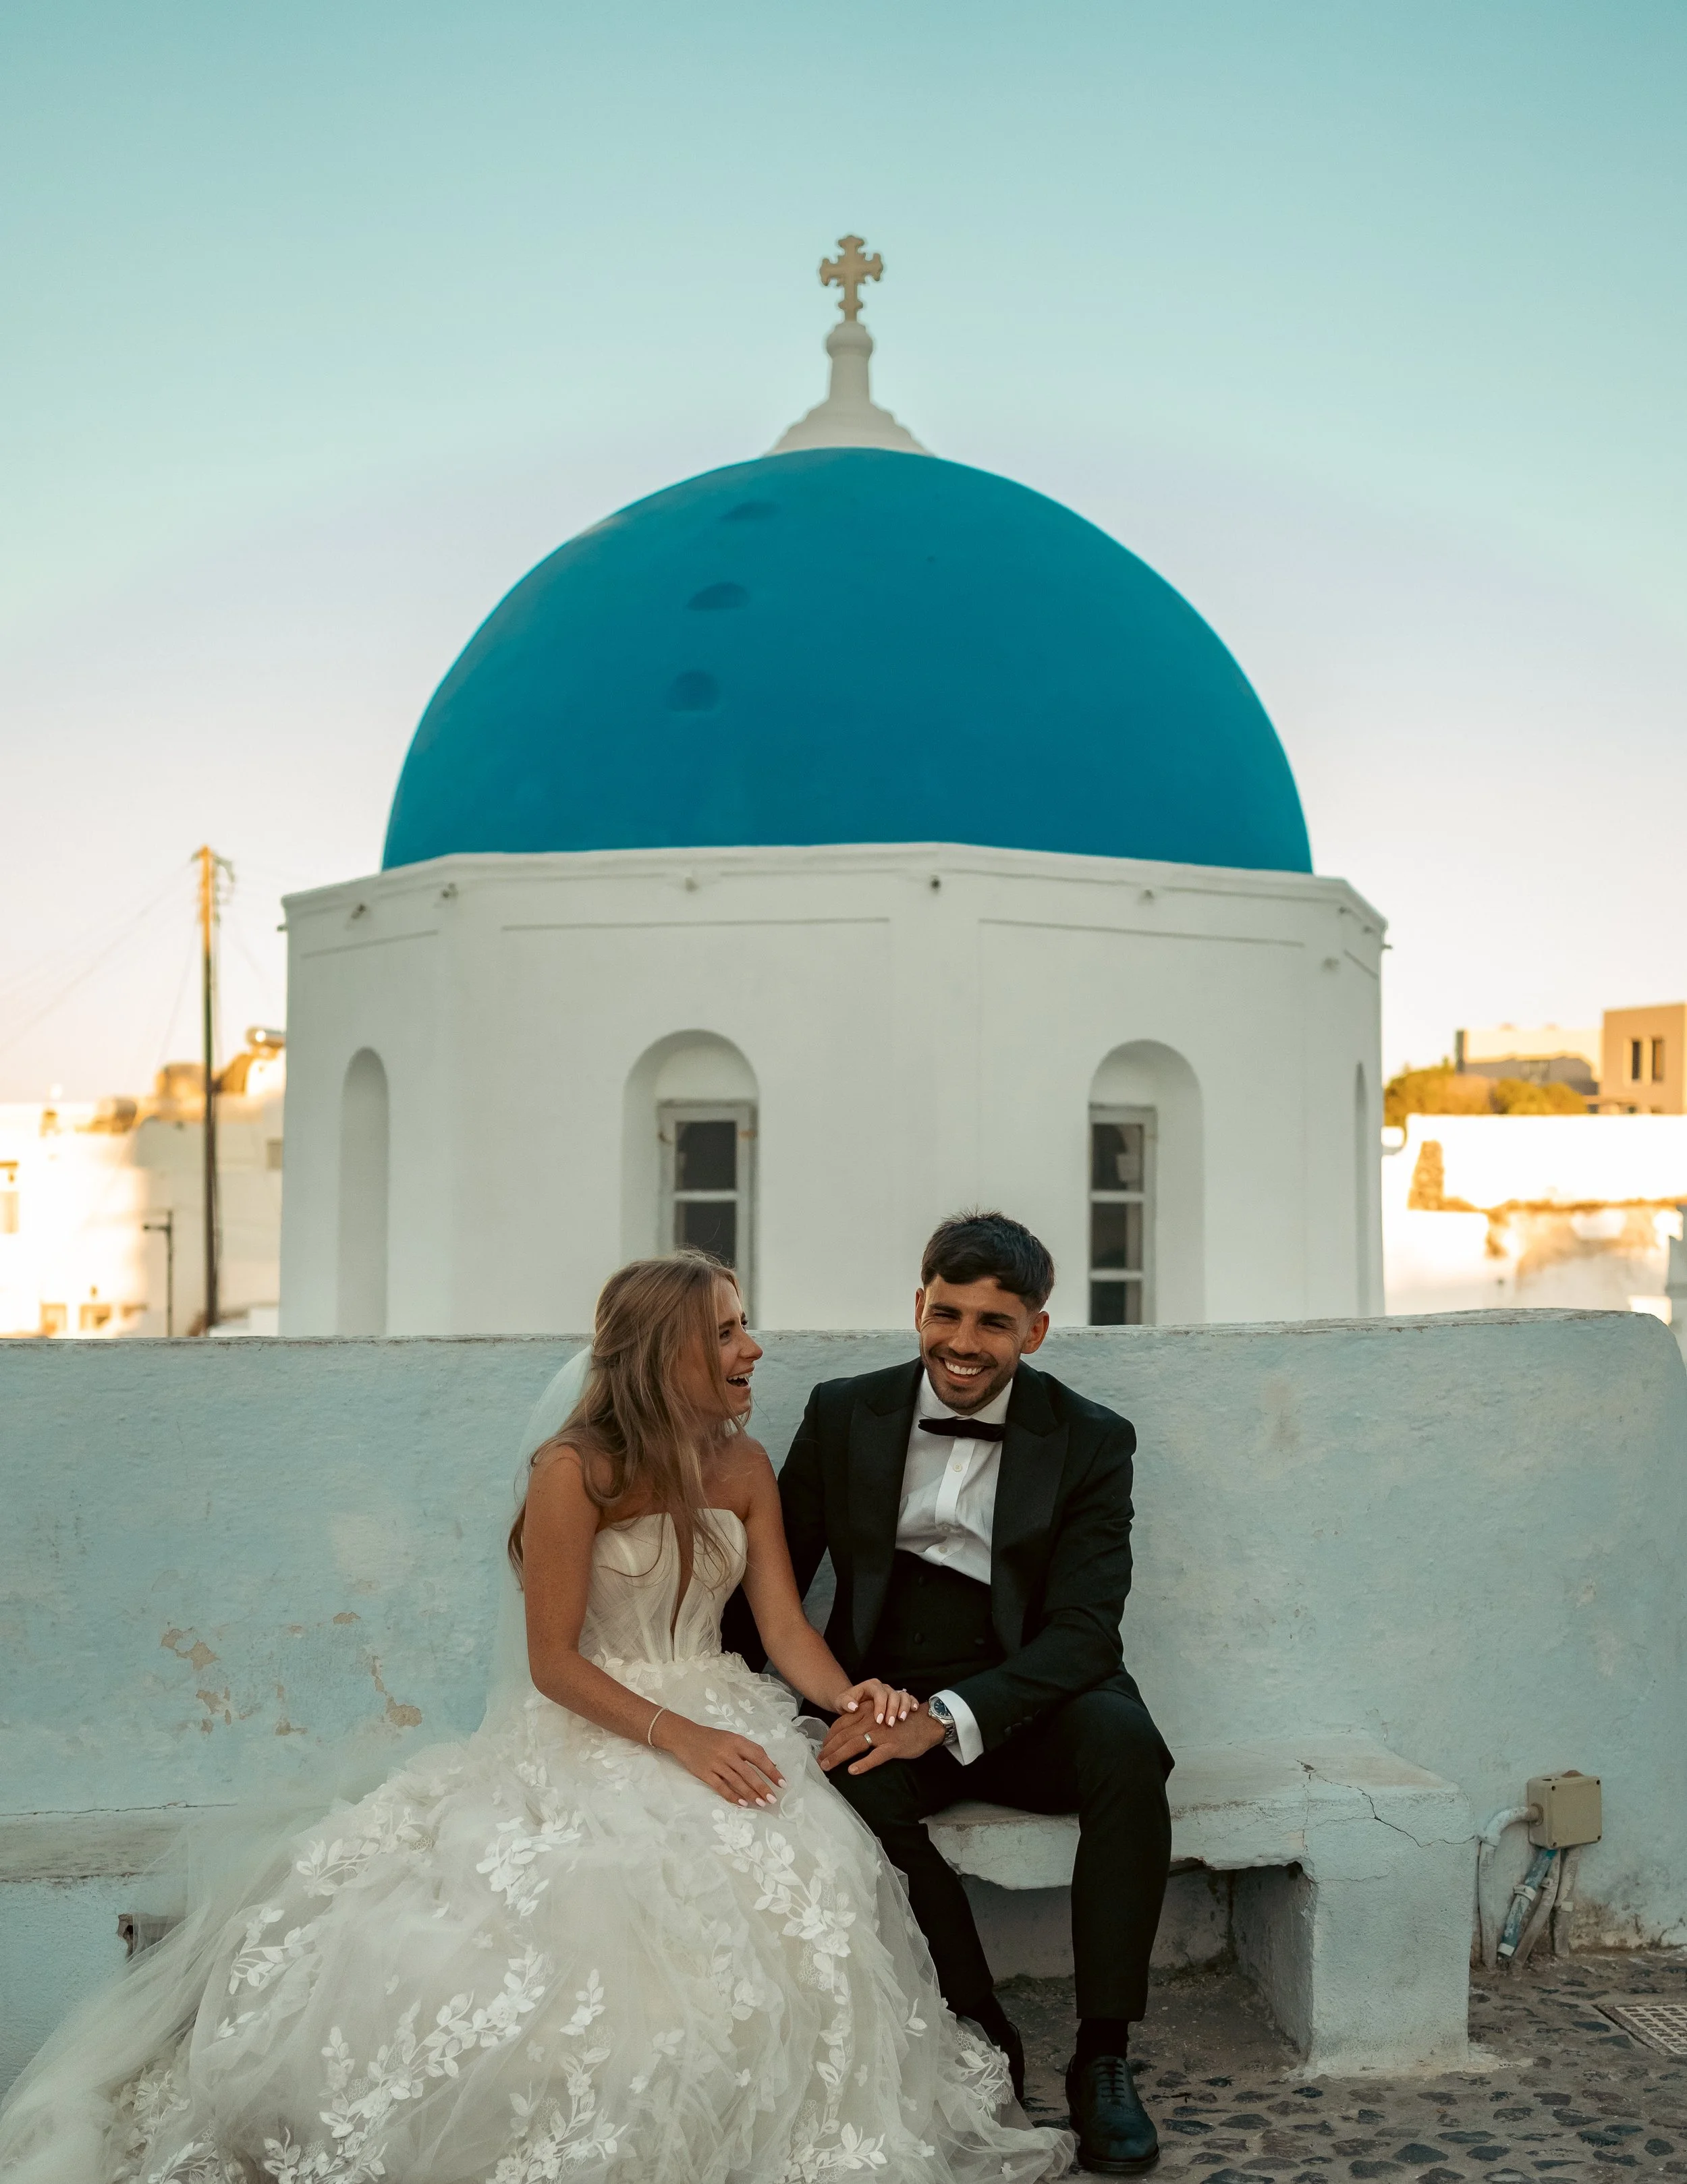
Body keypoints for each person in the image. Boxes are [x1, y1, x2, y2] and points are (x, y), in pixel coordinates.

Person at [0, 1253, 1072, 2184]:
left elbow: (786, 1630)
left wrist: (854, 1697)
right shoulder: (574, 1472)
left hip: (724, 1703)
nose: (755, 1347)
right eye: (730, 1332)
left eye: (746, 1325)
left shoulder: (743, 1467)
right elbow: (553, 1664)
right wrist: (679, 1738)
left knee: (800, 1878)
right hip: (606, 1721)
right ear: (667, 1353)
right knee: (590, 1903)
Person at [750, 1212, 1172, 2177]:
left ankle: (1103, 2055)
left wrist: (947, 1722)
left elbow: (1084, 1631)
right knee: (854, 1786)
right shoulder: (843, 1411)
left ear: (1035, 1331)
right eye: (947, 1314)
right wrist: (756, 1708)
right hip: (881, 1686)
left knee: (1128, 1750)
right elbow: (772, 1586)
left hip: (1030, 1694)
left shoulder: (1093, 1438)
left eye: (993, 1322)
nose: (963, 1344)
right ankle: (980, 2035)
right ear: (918, 1306)